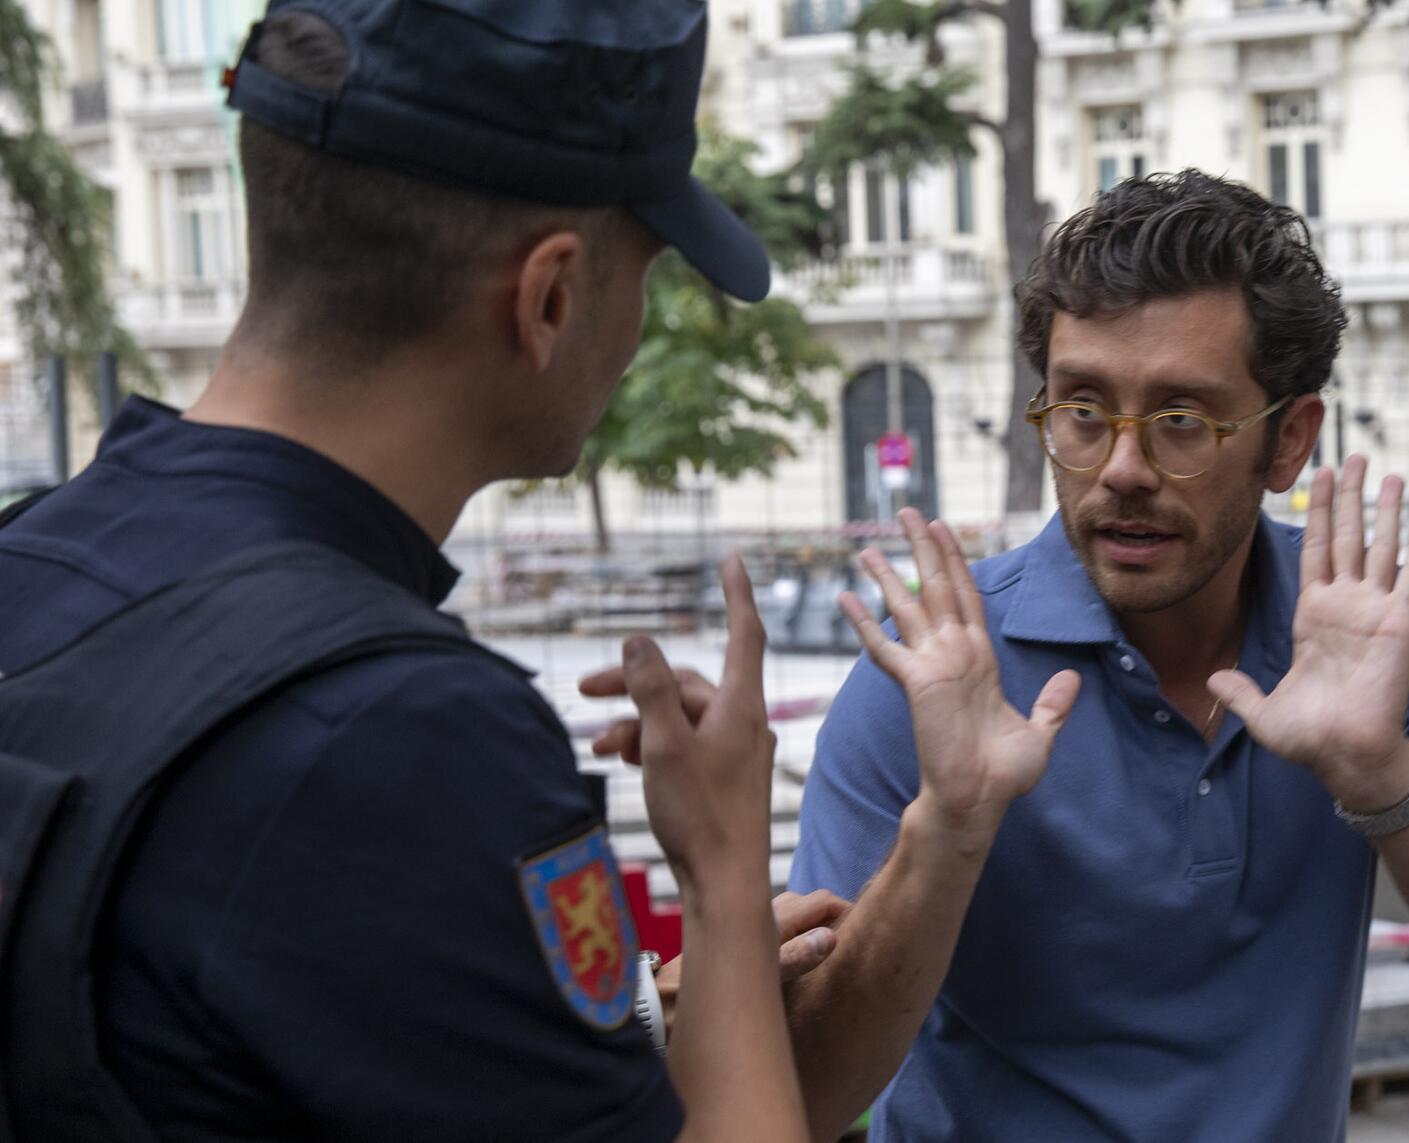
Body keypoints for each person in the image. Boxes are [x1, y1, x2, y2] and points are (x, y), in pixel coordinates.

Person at [0, 0, 812, 1138]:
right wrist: (725, 875)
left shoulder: (34, 558)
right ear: (550, 298)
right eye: (647, 269)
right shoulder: (401, 734)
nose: (633, 327)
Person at [782, 171, 1409, 1141]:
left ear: (1287, 441)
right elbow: (808, 1095)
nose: (1120, 467)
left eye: (1179, 422)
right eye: (1081, 410)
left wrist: (1378, 773)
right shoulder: (933, 675)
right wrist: (947, 831)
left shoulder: (1375, 637)